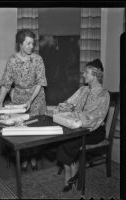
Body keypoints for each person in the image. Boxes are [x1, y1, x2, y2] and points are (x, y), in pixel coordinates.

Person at [54, 59, 110, 192]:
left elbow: (93, 120)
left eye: (86, 72)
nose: (83, 75)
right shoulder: (83, 90)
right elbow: (69, 102)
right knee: (61, 136)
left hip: (94, 131)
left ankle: (71, 172)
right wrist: (62, 107)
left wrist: (74, 113)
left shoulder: (104, 94)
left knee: (68, 142)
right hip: (78, 127)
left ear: (95, 75)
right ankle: (72, 166)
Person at [0, 29, 47, 171]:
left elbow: (40, 82)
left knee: (35, 130)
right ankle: (24, 158)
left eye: (33, 43)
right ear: (20, 44)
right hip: (19, 98)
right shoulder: (12, 61)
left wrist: (30, 100)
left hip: (36, 97)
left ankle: (33, 158)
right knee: (23, 130)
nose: (32, 46)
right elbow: (6, 83)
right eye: (28, 43)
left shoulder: (37, 59)